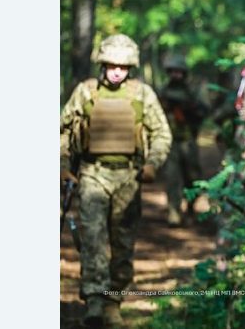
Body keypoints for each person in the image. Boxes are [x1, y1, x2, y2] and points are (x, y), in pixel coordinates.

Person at [60, 34, 172, 327]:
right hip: (92, 173)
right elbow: (63, 132)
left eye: (123, 66)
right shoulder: (86, 92)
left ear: (131, 67)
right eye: (111, 65)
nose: (117, 71)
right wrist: (62, 168)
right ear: (103, 63)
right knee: (93, 239)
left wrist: (152, 164)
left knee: (122, 242)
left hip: (128, 176)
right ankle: (94, 301)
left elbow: (161, 133)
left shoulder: (141, 94)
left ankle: (113, 300)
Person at [158, 55, 209, 226]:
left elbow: (204, 110)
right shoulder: (164, 91)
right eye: (172, 72)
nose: (175, 75)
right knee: (172, 177)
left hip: (188, 140)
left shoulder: (193, 91)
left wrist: (189, 109)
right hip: (170, 140)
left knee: (192, 177)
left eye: (178, 72)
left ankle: (191, 207)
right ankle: (174, 211)